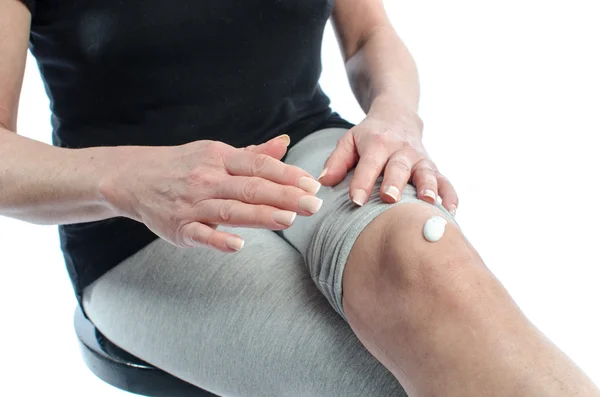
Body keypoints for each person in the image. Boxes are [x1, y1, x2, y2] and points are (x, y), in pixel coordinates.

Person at [1, 0, 598, 395]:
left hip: (314, 148)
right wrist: (127, 177)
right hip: (139, 223)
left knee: (435, 270)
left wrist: (396, 113)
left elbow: (369, 35)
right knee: (404, 379)